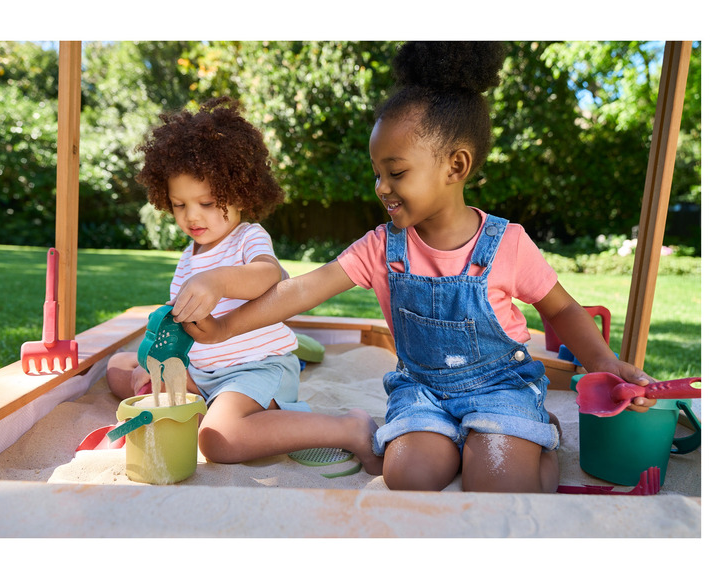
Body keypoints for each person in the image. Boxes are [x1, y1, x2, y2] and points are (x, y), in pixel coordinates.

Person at [177, 43, 657, 493]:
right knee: (407, 475)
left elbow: (564, 310)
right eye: (377, 173)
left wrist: (603, 362)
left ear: (456, 165)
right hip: (424, 389)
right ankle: (486, 437)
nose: (382, 187)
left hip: (498, 387)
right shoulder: (382, 246)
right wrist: (221, 329)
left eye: (397, 172)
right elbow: (300, 291)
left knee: (496, 480)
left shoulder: (506, 243)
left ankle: (535, 432)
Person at [106, 97, 383, 474]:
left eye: (206, 201)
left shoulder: (247, 238)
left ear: (239, 191)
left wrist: (217, 281)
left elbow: (269, 275)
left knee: (219, 440)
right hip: (204, 374)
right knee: (120, 366)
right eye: (179, 204)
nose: (192, 216)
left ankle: (348, 428)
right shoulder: (188, 256)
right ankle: (173, 405)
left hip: (257, 370)